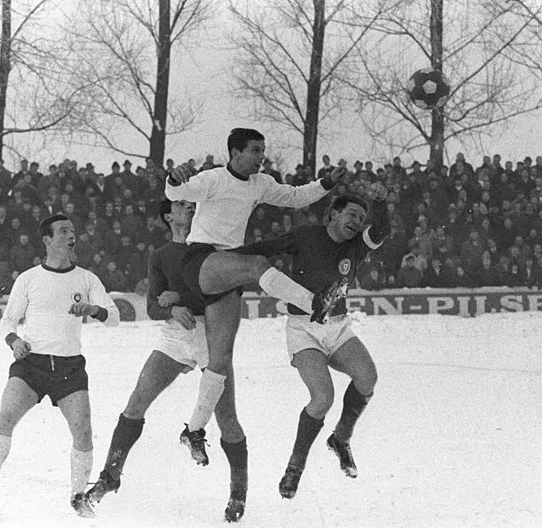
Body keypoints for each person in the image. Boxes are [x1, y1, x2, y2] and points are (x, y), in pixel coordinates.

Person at [165, 128, 346, 465]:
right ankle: (313, 302)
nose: (261, 156)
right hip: (201, 261)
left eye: (263, 150)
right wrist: (173, 179)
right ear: (234, 153)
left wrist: (325, 184)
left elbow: (293, 196)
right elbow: (181, 190)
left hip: (229, 268)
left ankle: (194, 429)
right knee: (258, 264)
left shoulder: (261, 183)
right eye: (255, 150)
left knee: (220, 360)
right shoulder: (215, 178)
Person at [85, 199, 249, 522]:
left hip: (211, 334)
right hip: (174, 336)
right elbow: (152, 306)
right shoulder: (160, 256)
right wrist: (172, 308)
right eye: (184, 205)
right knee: (136, 402)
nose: (190, 209)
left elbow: (225, 293)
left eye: (193, 205)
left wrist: (181, 298)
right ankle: (108, 478)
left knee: (227, 418)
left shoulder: (210, 249)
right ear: (168, 216)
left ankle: (237, 494)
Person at [0, 214, 120, 518]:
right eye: (63, 231)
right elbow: (8, 321)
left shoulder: (87, 279)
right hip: (31, 366)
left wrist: (93, 309)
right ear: (47, 240)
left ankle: (78, 496)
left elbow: (114, 317)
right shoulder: (29, 278)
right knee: (5, 418)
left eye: (72, 231)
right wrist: (13, 340)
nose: (71, 236)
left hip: (69, 368)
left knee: (83, 432)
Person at [239, 183, 390, 499]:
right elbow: (269, 247)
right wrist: (225, 257)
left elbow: (382, 230)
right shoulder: (307, 235)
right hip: (303, 330)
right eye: (351, 213)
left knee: (368, 377)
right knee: (323, 398)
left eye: (361, 218)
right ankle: (295, 467)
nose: (356, 221)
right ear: (334, 213)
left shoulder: (356, 246)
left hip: (337, 328)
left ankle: (340, 439)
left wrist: (379, 203)